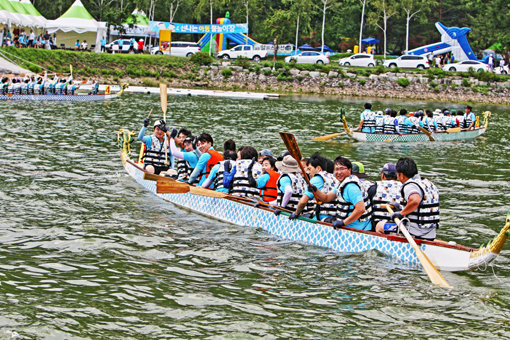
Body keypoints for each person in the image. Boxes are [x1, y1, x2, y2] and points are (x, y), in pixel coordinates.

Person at [312, 156, 372, 230]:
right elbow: (326, 198)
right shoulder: (341, 184)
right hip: (348, 226)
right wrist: (315, 190)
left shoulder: (351, 187)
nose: (339, 172)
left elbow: (361, 209)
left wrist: (343, 223)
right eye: (336, 169)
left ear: (349, 170)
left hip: (359, 229)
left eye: (342, 169)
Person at [389, 157, 440, 240]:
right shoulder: (428, 183)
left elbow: (415, 200)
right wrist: (401, 206)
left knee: (380, 226)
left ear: (401, 175)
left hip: (414, 234)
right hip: (430, 235)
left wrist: (401, 213)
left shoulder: (409, 185)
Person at [289, 153, 338, 222]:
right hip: (335, 216)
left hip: (321, 217)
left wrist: (296, 213)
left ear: (318, 168)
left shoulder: (316, 178)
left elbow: (303, 202)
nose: (308, 172)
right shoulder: (334, 177)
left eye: (309, 169)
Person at [369, 163, 403, 234]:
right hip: (397, 225)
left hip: (377, 226)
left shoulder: (374, 187)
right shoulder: (403, 188)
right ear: (397, 176)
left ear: (383, 175)